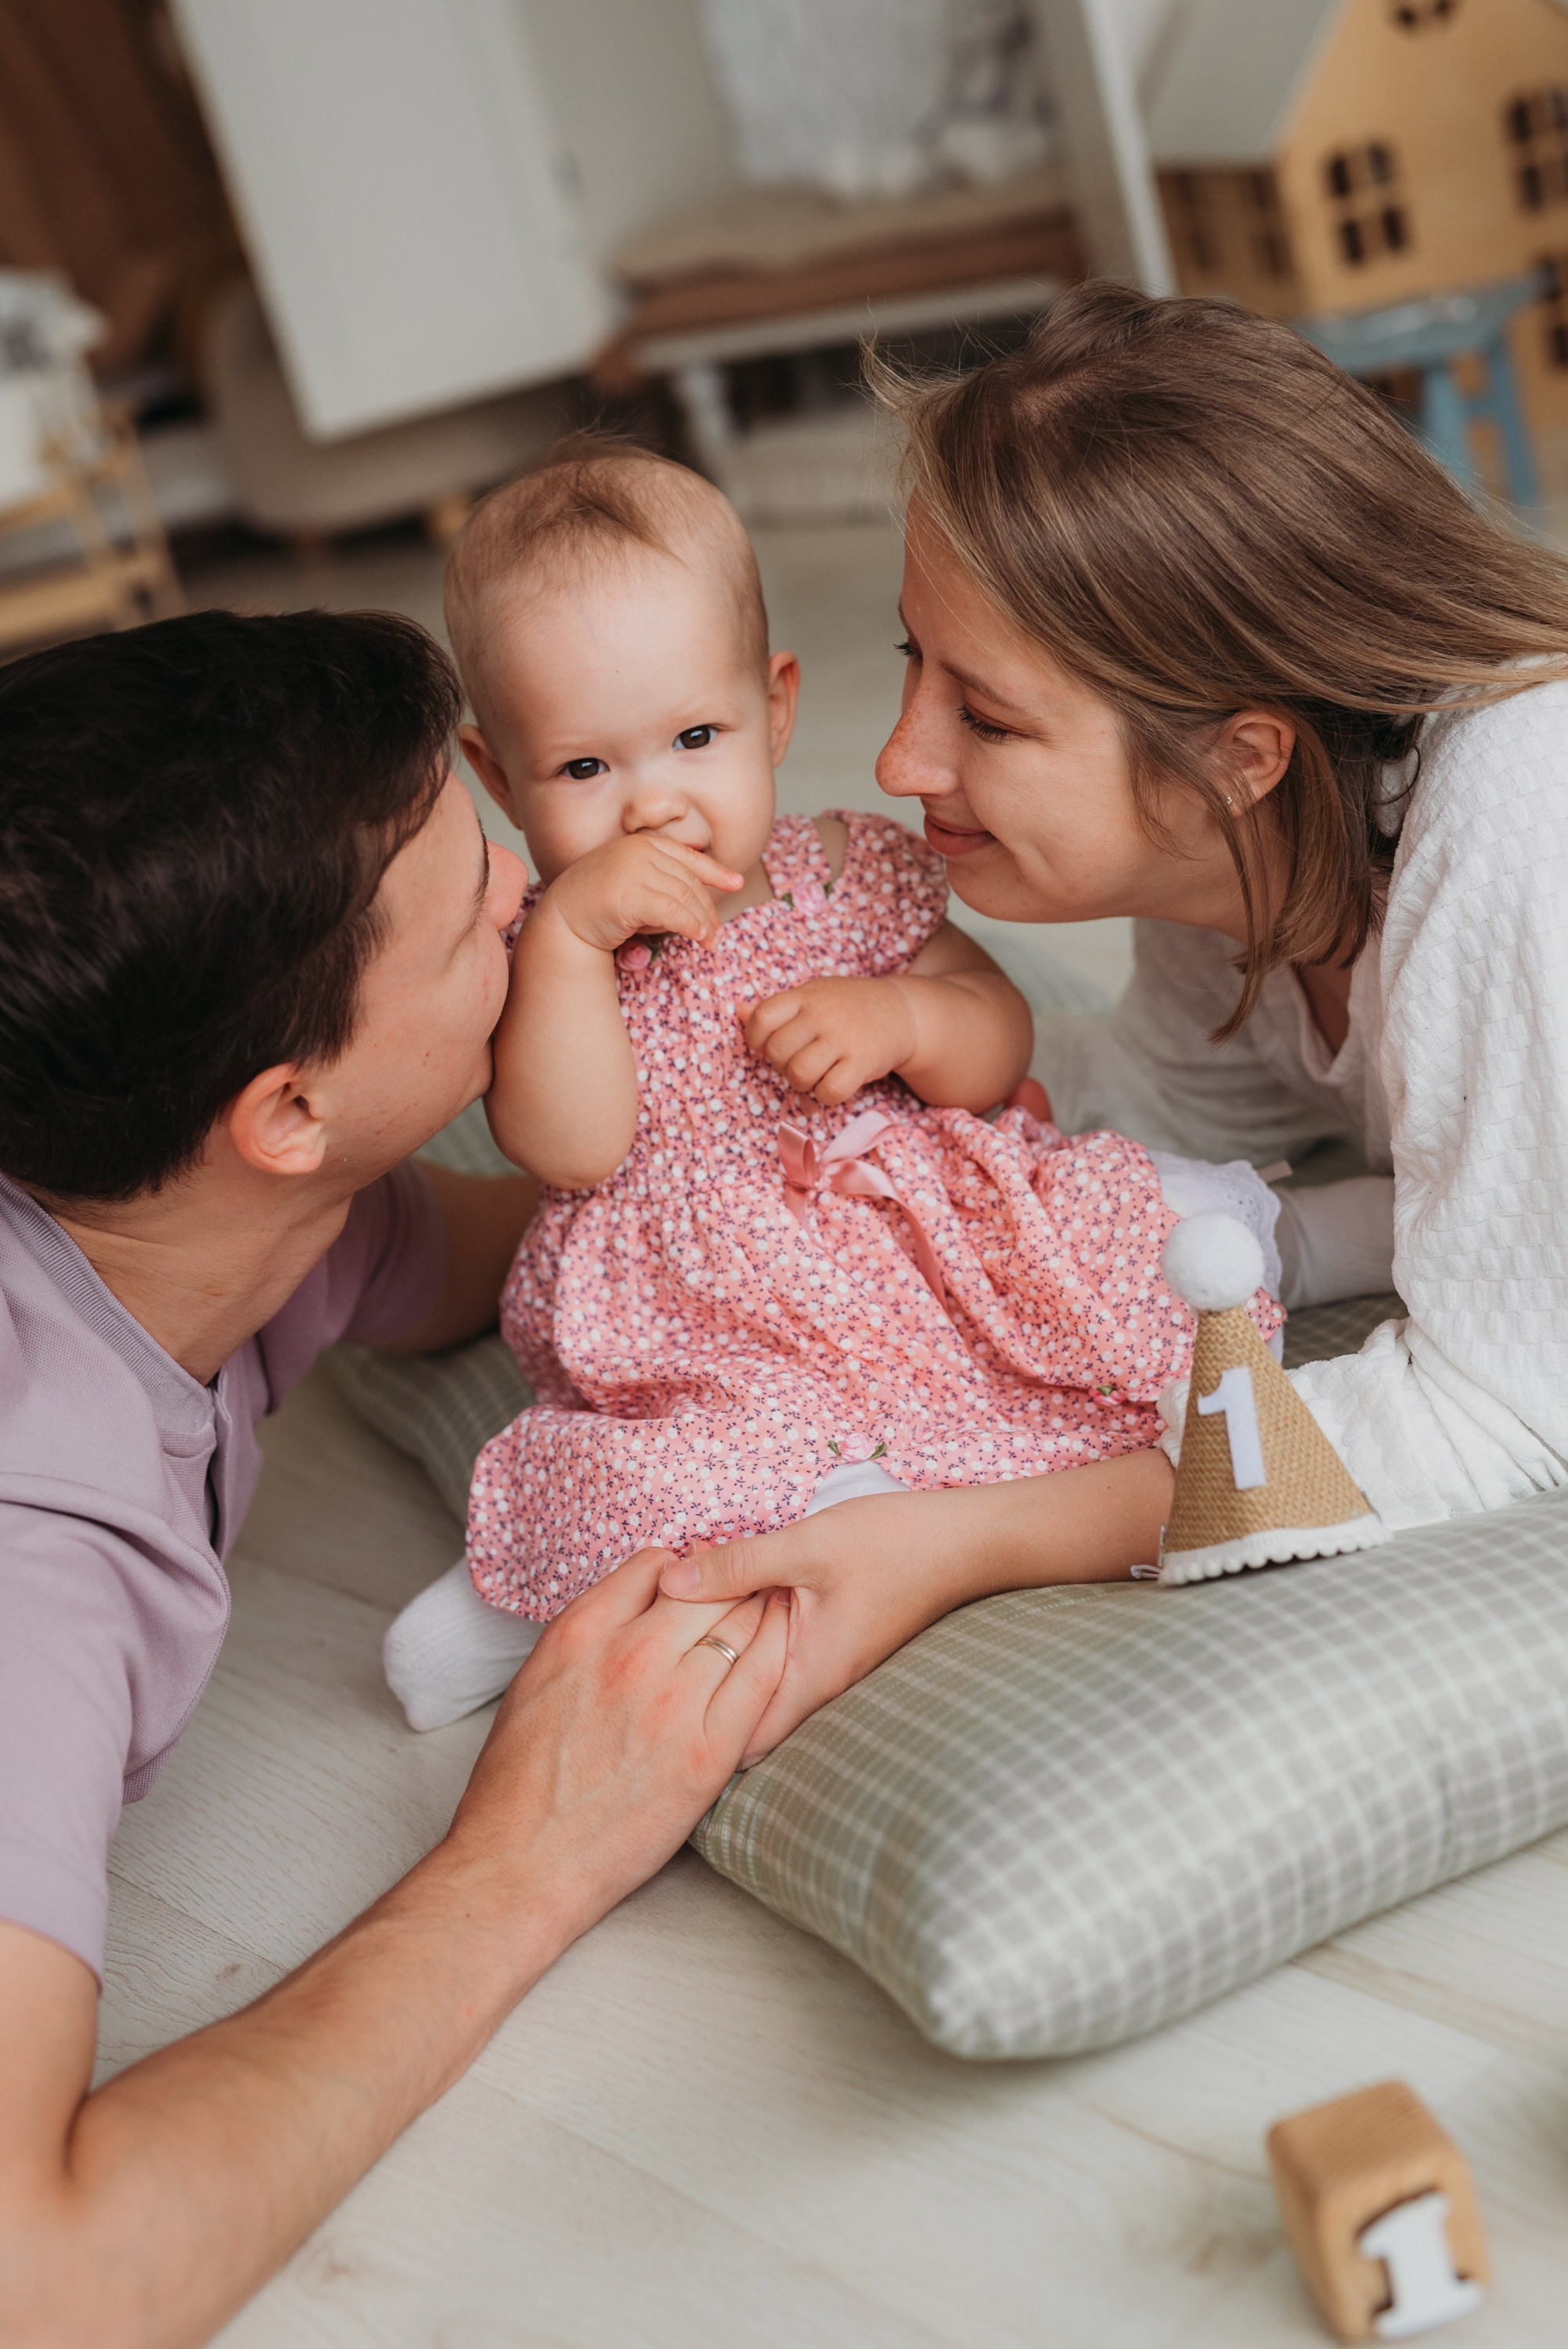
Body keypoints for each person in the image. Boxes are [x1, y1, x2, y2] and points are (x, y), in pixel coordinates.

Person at [0, 609, 788, 2349]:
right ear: (287, 1109)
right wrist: (523, 1862)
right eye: (475, 911)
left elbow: (553, 1255)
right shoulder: (30, 1574)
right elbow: (34, 2291)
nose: (535, 884)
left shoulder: (246, 1219)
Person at [652, 281, 1568, 1763]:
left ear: (1241, 756)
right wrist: (784, 1038)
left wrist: (953, 1538)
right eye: (912, 665)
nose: (899, 757)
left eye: (989, 720)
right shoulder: (1258, 850)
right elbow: (1150, 1110)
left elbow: (1500, 1408)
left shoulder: (1521, 821)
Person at [383, 442, 1284, 1732]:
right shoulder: (541, 946)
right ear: (497, 772)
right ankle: (528, 1589)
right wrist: (578, 945)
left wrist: (908, 1016)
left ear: (777, 707)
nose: (656, 806)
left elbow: (997, 1042)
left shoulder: (846, 873)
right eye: (585, 770)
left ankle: (1288, 1232)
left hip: (915, 1244)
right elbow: (568, 1148)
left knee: (1115, 1229)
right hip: (710, 1319)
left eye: (697, 738)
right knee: (673, 1464)